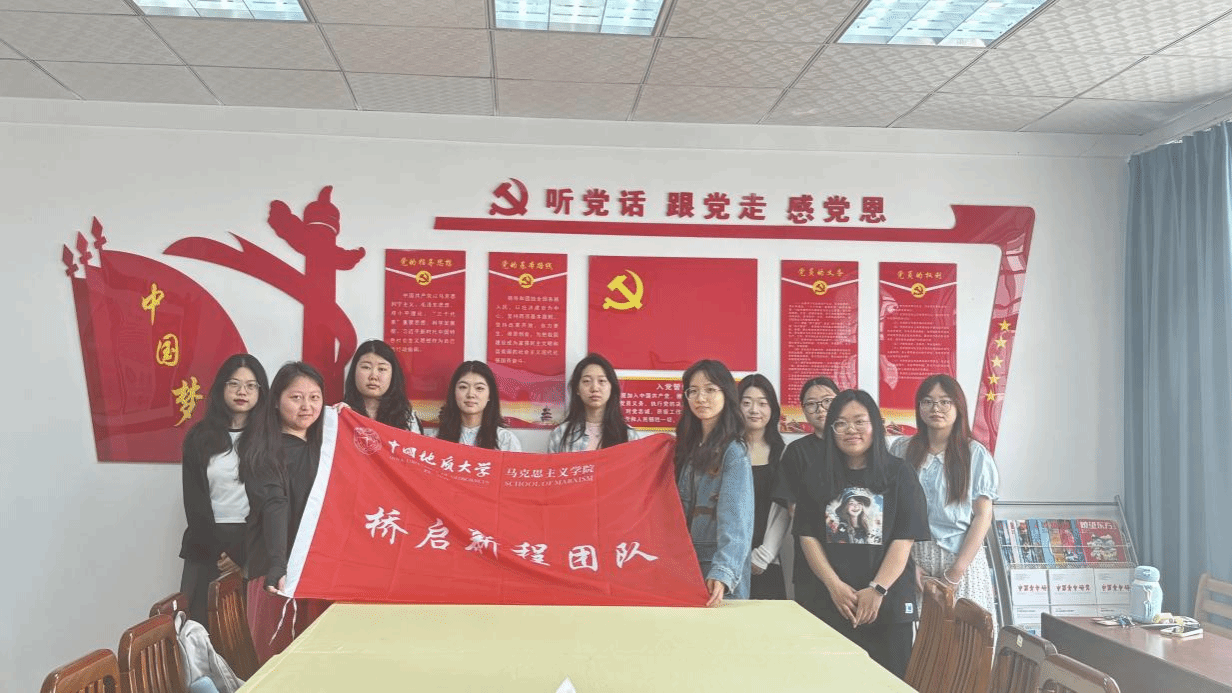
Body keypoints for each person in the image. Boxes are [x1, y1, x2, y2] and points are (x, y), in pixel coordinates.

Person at [793, 389, 929, 679]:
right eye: (841, 423)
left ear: (875, 425)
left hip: (888, 605)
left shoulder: (899, 473)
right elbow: (807, 535)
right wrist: (834, 585)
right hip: (832, 602)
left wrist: (877, 589)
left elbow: (904, 538)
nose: (850, 430)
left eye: (859, 421)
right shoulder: (816, 474)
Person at [888, 374, 999, 626]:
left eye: (944, 402)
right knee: (918, 640)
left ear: (958, 406)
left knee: (963, 640)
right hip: (913, 560)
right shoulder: (901, 450)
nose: (935, 408)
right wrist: (908, 566)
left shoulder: (974, 454)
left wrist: (955, 574)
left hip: (961, 561)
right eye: (927, 402)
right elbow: (893, 512)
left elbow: (983, 516)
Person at [240, 361, 332, 664]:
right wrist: (279, 563)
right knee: (281, 664)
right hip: (278, 576)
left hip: (320, 572)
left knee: (321, 664)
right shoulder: (264, 450)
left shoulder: (327, 446)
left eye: (315, 397)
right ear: (277, 401)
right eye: (296, 397)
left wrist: (344, 420)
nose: (307, 406)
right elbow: (274, 505)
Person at [178, 354, 268, 626]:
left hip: (252, 544)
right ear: (221, 388)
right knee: (199, 631)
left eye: (251, 386)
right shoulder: (199, 437)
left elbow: (271, 501)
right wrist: (219, 553)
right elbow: (194, 501)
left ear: (261, 392)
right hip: (206, 543)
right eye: (234, 384)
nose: (242, 392)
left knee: (247, 633)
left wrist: (242, 553)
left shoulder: (269, 438)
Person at [675, 359, 754, 607]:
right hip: (686, 564)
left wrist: (724, 571)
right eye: (693, 391)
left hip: (716, 573)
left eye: (710, 389)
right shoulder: (687, 447)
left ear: (726, 394)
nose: (701, 398)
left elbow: (737, 520)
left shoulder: (734, 451)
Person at [771, 375, 839, 606]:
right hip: (812, 559)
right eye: (811, 404)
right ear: (804, 410)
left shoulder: (859, 445)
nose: (821, 409)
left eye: (828, 401)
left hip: (858, 560)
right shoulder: (797, 451)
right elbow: (795, 510)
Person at [738, 374, 789, 599]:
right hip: (728, 557)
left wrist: (765, 554)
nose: (754, 410)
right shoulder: (726, 450)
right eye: (746, 403)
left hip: (766, 559)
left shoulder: (783, 453)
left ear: (772, 409)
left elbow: (784, 509)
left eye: (762, 403)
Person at [547, 353, 639, 452]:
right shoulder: (560, 434)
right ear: (577, 389)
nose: (595, 388)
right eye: (587, 381)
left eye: (601, 381)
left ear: (611, 387)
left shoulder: (628, 436)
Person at [436, 360, 522, 451]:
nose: (470, 394)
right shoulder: (436, 438)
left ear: (490, 395)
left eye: (479, 388)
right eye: (463, 387)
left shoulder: (505, 439)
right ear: (453, 393)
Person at [341, 339, 422, 433]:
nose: (373, 376)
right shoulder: (341, 412)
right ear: (354, 372)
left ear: (393, 375)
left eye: (382, 369)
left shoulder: (407, 419)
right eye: (366, 367)